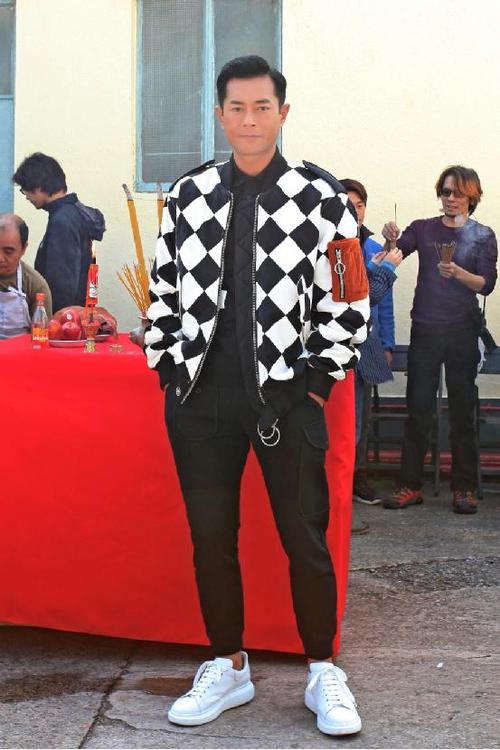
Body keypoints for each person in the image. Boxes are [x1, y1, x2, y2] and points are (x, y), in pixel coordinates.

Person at [145, 56, 370, 736]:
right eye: (237, 108)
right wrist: (168, 368)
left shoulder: (323, 197)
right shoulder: (187, 195)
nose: (249, 119)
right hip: (200, 400)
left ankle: (323, 670)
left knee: (306, 536)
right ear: (220, 115)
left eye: (262, 107)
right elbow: (162, 288)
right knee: (211, 539)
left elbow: (349, 299)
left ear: (283, 113)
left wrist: (317, 383)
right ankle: (228, 664)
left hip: (287, 398)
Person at [381, 165, 497, 514]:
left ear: (472, 197)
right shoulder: (423, 228)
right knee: (418, 408)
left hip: (462, 330)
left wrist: (458, 273)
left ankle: (464, 488)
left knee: (462, 412)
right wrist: (389, 239)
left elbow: (487, 284)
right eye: (446, 192)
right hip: (426, 329)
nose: (450, 198)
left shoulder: (483, 235)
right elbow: (394, 254)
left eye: (458, 193)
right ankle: (409, 485)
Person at [340, 180, 400, 518]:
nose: (355, 211)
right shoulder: (332, 244)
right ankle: (339, 484)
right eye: (349, 205)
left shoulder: (373, 245)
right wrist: (382, 269)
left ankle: (357, 475)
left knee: (361, 417)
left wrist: (387, 343)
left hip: (368, 343)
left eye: (360, 205)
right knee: (343, 420)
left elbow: (384, 303)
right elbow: (360, 294)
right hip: (337, 346)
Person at [13, 152, 105, 313]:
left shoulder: (62, 221)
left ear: (38, 186)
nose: (26, 197)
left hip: (63, 317)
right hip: (74, 314)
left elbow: (61, 284)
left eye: (25, 190)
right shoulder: (73, 213)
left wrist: (52, 318)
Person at [0, 213, 52, 339]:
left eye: (8, 251)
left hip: (21, 349)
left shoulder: (36, 285)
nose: (0, 258)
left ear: (23, 248)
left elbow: (42, 336)